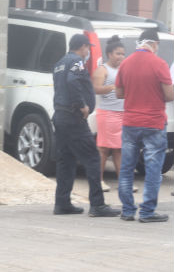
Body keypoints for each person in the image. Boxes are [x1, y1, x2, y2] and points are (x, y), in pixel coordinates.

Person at [52, 33, 120, 217]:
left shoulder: (59, 63)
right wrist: (81, 104)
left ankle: (62, 203)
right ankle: (98, 205)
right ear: (82, 47)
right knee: (93, 158)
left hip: (60, 116)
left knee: (66, 160)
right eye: (87, 48)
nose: (88, 51)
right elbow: (73, 81)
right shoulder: (76, 61)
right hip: (73, 117)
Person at [116, 28, 173, 222]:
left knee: (126, 168)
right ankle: (148, 212)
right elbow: (169, 95)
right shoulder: (159, 64)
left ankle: (127, 211)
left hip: (130, 122)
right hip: (153, 122)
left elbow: (119, 93)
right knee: (153, 168)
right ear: (154, 44)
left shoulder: (125, 64)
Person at [92, 36, 125, 192]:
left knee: (119, 149)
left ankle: (123, 182)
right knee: (103, 149)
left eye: (122, 54)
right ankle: (98, 181)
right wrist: (112, 87)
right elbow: (96, 89)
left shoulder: (123, 69)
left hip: (122, 114)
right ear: (110, 54)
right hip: (107, 113)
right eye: (118, 53)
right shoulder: (102, 69)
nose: (121, 57)